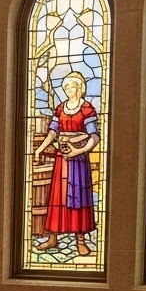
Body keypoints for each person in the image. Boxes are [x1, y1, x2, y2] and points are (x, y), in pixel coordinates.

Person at [31, 71, 98, 257]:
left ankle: (80, 241)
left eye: (72, 86)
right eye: (66, 86)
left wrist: (78, 151)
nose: (68, 89)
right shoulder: (60, 109)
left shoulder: (86, 109)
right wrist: (39, 149)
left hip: (78, 162)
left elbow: (94, 136)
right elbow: (53, 132)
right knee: (57, 199)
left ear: (80, 88)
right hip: (62, 160)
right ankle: (53, 237)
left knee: (78, 198)